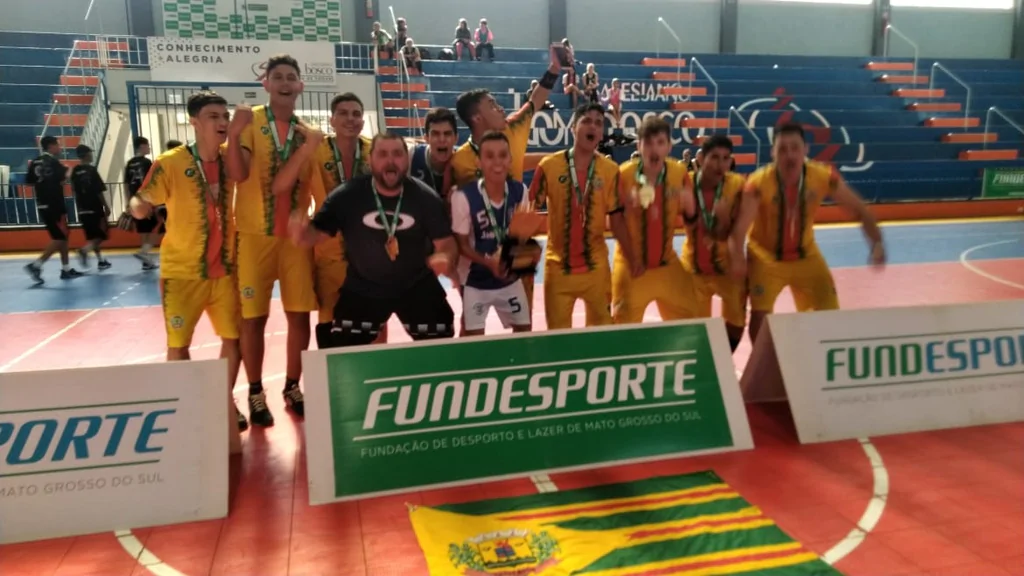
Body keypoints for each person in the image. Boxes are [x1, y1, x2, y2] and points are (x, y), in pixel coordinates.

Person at [130, 91, 247, 431]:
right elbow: (143, 197)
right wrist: (137, 207)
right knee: (178, 345)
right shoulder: (171, 161)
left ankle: (222, 402)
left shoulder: (231, 158)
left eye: (224, 116)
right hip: (182, 273)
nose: (222, 122)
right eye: (213, 116)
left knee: (233, 340)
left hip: (225, 270)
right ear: (194, 122)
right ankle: (183, 406)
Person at [289, 132, 458, 347]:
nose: (390, 161)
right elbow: (317, 233)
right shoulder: (347, 195)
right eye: (382, 154)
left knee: (441, 339)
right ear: (370, 160)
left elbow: (446, 243)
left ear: (407, 159)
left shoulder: (425, 197)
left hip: (416, 284)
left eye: (397, 154)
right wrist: (302, 234)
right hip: (364, 286)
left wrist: (445, 257)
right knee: (342, 349)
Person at [226, 54, 323, 426]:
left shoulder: (307, 133)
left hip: (294, 240)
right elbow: (237, 173)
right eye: (277, 76)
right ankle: (254, 391)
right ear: (265, 83)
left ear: (300, 86)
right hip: (253, 236)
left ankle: (292, 386)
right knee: (253, 318)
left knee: (300, 315)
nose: (285, 82)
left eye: (291, 77)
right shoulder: (251, 123)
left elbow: (315, 190)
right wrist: (234, 135)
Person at [731, 122, 886, 343]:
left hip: (806, 256)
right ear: (773, 153)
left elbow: (859, 209)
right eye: (782, 149)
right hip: (766, 258)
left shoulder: (822, 176)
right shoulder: (757, 183)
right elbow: (739, 231)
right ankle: (765, 368)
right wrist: (738, 259)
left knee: (830, 318)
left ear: (806, 150)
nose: (789, 155)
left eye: (795, 148)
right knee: (760, 322)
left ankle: (814, 359)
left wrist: (876, 243)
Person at [453, 47, 561, 317]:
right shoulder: (460, 161)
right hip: (478, 253)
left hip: (518, 244)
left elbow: (535, 100)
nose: (500, 107)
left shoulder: (513, 128)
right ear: (477, 118)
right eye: (491, 104)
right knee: (471, 325)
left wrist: (555, 69)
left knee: (522, 320)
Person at [274, 92, 375, 349]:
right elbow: (286, 186)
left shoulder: (373, 151)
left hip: (368, 253)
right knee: (329, 320)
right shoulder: (315, 151)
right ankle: (332, 381)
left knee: (370, 320)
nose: (350, 119)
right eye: (343, 113)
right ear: (331, 120)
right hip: (328, 250)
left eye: (356, 114)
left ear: (363, 121)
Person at [528, 103, 639, 330]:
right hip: (558, 268)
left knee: (601, 337)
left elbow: (616, 219)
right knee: (558, 339)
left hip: (596, 269)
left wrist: (632, 256)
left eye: (599, 123)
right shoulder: (548, 166)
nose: (593, 126)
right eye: (586, 121)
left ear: (601, 133)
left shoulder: (610, 170)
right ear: (573, 128)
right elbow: (528, 211)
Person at [613, 116, 696, 325]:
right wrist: (633, 260)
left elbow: (692, 219)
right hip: (632, 266)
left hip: (667, 265)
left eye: (660, 143)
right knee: (622, 334)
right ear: (638, 146)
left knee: (692, 324)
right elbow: (614, 223)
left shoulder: (679, 173)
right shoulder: (624, 174)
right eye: (648, 143)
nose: (654, 149)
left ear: (669, 146)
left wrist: (690, 207)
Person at [451, 131, 532, 335]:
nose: (497, 162)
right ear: (479, 162)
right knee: (473, 337)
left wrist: (513, 258)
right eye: (490, 156)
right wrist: (490, 262)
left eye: (503, 155)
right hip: (475, 280)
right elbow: (462, 245)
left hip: (508, 279)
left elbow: (520, 235)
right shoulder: (463, 197)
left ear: (510, 159)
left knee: (525, 330)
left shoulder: (520, 191)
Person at [681, 134, 748, 351]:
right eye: (715, 157)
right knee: (697, 329)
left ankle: (723, 360)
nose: (720, 164)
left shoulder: (737, 186)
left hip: (727, 269)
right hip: (695, 269)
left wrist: (725, 221)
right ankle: (703, 366)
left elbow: (738, 230)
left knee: (737, 322)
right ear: (701, 157)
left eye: (726, 158)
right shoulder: (686, 184)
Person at [24, 136, 82, 284]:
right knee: (59, 237)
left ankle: (66, 269)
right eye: (58, 145)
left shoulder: (35, 161)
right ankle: (36, 264)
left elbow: (29, 182)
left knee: (63, 235)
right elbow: (66, 176)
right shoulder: (52, 162)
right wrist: (68, 170)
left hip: (42, 203)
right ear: (51, 146)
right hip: (54, 203)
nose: (60, 148)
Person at [69, 144, 111, 270]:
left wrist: (79, 207)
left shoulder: (74, 171)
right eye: (90, 153)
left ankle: (100, 260)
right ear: (87, 155)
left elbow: (74, 190)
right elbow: (99, 191)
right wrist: (106, 206)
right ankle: (84, 250)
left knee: (92, 236)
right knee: (102, 234)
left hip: (82, 208)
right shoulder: (92, 170)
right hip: (94, 207)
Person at [124, 136, 159, 270]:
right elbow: (151, 182)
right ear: (142, 146)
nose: (149, 148)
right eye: (147, 145)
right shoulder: (147, 162)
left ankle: (146, 260)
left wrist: (128, 202)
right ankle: (144, 252)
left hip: (135, 201)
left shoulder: (129, 163)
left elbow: (126, 184)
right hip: (145, 200)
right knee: (158, 226)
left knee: (144, 229)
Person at [409, 107, 457, 197]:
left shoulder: (465, 162)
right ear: (426, 138)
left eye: (447, 134)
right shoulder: (411, 156)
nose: (442, 139)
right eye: (435, 134)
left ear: (456, 138)